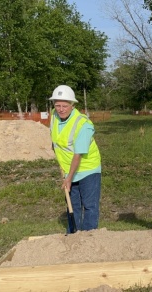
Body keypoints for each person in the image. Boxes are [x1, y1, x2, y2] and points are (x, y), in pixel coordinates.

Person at [49, 85, 102, 232]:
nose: (61, 109)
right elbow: (56, 138)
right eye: (57, 105)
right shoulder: (53, 115)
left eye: (65, 106)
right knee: (73, 205)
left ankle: (89, 236)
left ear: (72, 105)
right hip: (68, 169)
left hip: (88, 168)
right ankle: (73, 235)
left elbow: (78, 154)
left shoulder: (83, 124)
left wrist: (69, 178)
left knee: (89, 205)